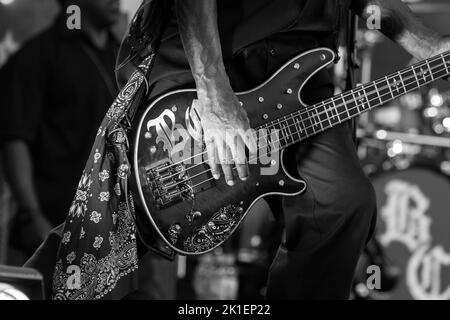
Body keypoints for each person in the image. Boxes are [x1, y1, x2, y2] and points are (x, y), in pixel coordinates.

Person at [21, 0, 450, 300]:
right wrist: (214, 94)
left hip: (298, 73)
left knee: (344, 202)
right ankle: (20, 290)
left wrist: (430, 46)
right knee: (131, 205)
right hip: (209, 59)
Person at [0, 0, 121, 255]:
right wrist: (32, 215)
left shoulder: (123, 57)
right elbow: (14, 140)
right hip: (56, 227)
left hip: (118, 228)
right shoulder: (37, 55)